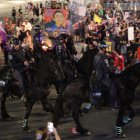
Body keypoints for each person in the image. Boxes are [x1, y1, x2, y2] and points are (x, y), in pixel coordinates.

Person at [94, 42, 118, 109]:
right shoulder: (104, 57)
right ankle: (113, 104)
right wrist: (114, 69)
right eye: (105, 48)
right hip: (103, 77)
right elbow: (107, 68)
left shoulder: (96, 56)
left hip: (96, 76)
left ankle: (99, 103)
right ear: (103, 48)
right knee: (113, 86)